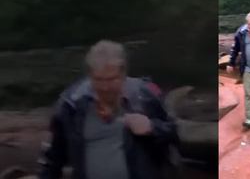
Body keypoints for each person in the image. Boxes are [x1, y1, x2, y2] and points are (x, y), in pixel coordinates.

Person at [38, 40, 179, 179]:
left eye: (111, 79)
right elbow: (53, 157)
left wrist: (152, 127)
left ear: (123, 74)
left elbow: (175, 133)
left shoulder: (144, 96)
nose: (105, 87)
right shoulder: (71, 104)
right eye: (98, 80)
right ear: (89, 76)